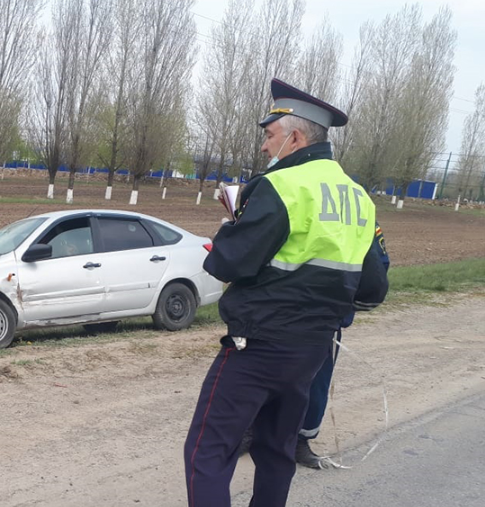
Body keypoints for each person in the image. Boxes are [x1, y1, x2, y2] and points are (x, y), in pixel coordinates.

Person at [183, 78, 389, 507]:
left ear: (294, 137)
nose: (264, 148)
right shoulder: (358, 198)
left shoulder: (279, 186)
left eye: (269, 136)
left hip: (257, 346)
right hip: (313, 352)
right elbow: (372, 289)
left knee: (209, 451)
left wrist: (229, 231)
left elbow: (227, 264)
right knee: (276, 452)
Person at [295, 223, 390, 468]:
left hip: (325, 319)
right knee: (260, 378)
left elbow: (377, 269)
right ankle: (253, 432)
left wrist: (343, 306)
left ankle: (300, 440)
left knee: (314, 383)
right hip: (272, 315)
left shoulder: (357, 208)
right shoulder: (286, 193)